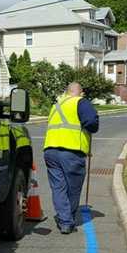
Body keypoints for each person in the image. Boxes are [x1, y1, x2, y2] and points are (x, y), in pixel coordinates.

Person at [43, 82, 99, 234]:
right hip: (72, 153)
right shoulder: (81, 102)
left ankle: (64, 219)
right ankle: (67, 221)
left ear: (67, 92)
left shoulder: (56, 105)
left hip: (50, 151)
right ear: (80, 93)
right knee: (73, 188)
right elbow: (92, 123)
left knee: (58, 188)